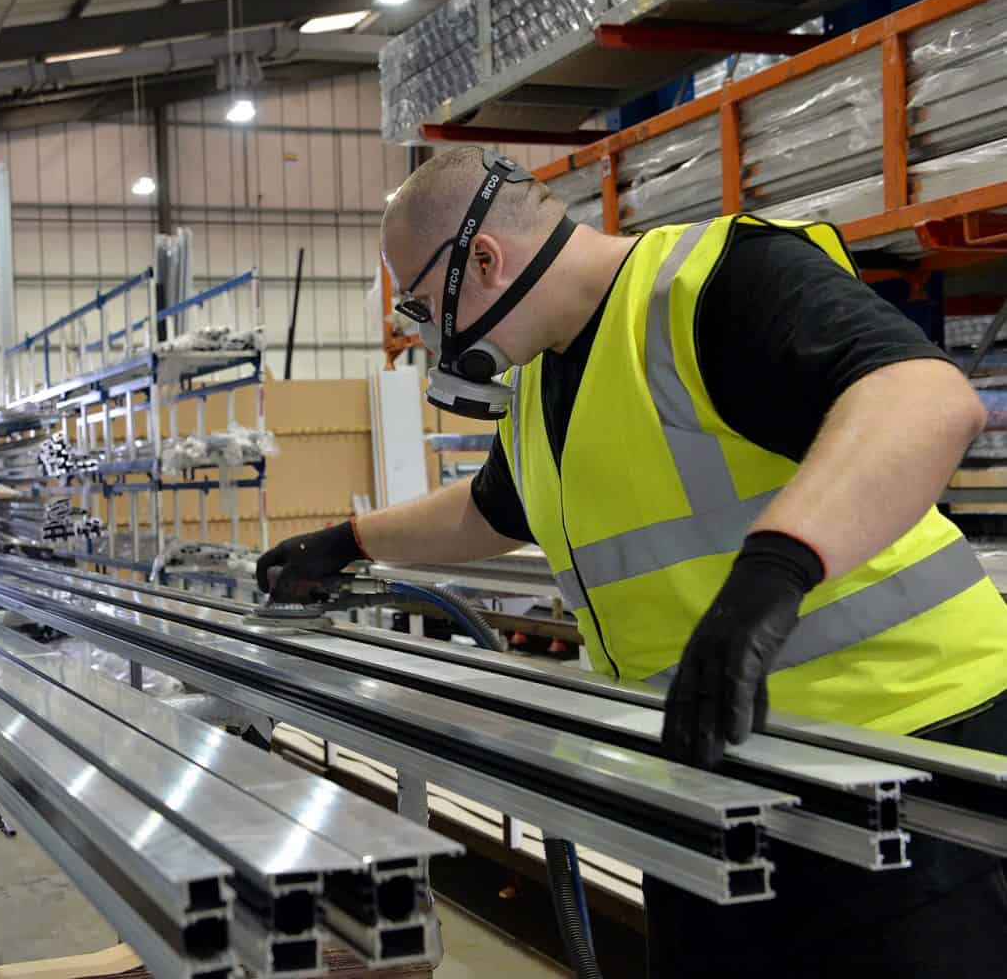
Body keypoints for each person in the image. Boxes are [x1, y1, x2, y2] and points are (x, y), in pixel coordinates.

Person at [257, 147, 1007, 977]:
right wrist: (349, 541)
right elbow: (492, 510)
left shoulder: (716, 282)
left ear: (482, 259)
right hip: (716, 770)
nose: (428, 338)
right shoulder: (542, 380)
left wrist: (776, 569)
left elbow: (927, 398)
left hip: (910, 765)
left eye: (425, 308)